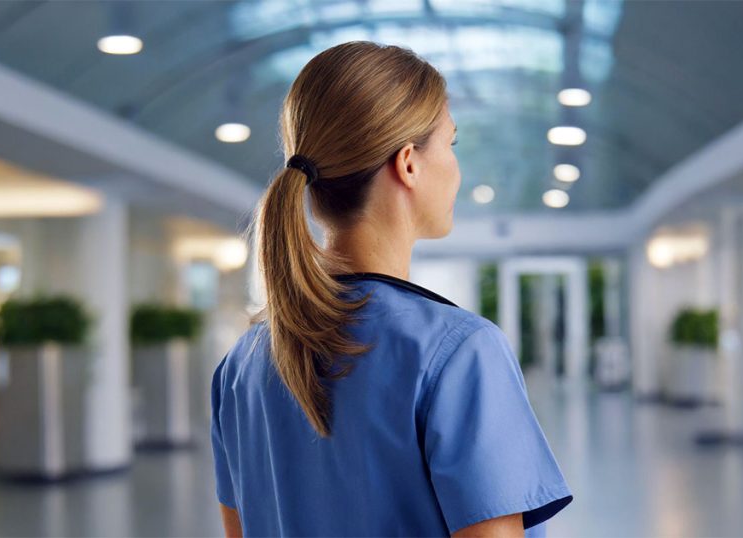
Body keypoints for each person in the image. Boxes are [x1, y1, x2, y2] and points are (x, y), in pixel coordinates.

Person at [210, 41, 572, 537]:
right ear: (408, 163)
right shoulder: (459, 353)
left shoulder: (242, 364)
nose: (457, 170)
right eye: (452, 144)